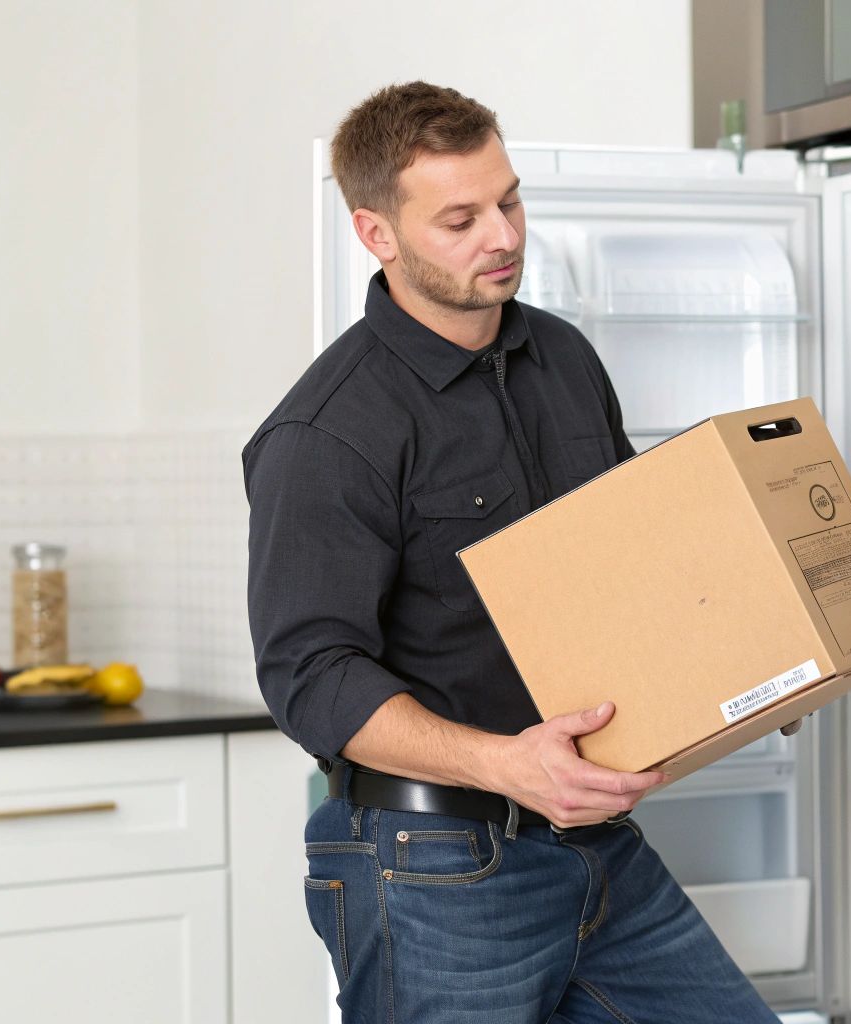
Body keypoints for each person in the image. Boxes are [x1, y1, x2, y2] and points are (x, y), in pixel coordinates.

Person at [243, 81, 785, 1023]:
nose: (503, 236)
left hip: (595, 844)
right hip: (429, 864)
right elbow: (311, 677)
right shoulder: (326, 433)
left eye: (510, 199)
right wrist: (506, 765)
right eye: (460, 219)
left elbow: (626, 562)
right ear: (378, 234)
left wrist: (756, 660)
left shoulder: (564, 358)